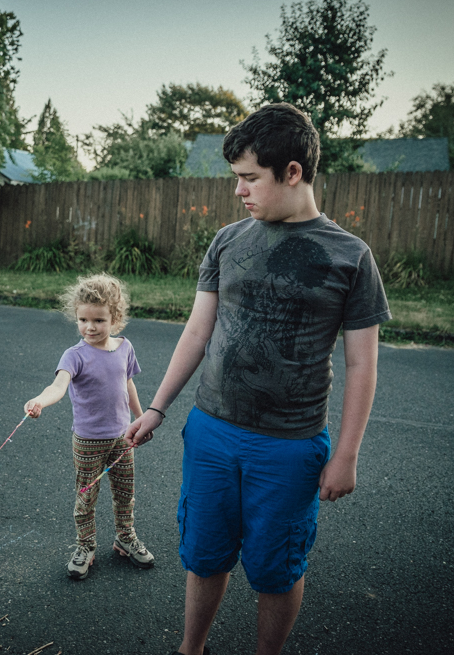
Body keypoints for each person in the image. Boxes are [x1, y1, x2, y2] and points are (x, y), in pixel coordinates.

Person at [125, 103, 391, 655]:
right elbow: (197, 331)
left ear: (292, 172)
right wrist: (156, 407)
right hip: (212, 432)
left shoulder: (351, 257)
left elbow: (362, 364)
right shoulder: (228, 240)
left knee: (276, 568)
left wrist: (346, 455)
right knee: (205, 556)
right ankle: (191, 649)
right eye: (236, 177)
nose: (239, 190)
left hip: (290, 446)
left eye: (250, 178)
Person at [24, 273, 155, 580]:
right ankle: (85, 546)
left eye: (98, 320)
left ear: (115, 319)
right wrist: (40, 400)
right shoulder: (75, 356)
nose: (90, 327)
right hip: (88, 442)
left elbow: (128, 384)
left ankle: (125, 537)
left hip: (122, 438)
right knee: (86, 497)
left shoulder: (125, 348)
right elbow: (58, 386)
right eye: (83, 320)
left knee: (125, 493)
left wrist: (141, 419)